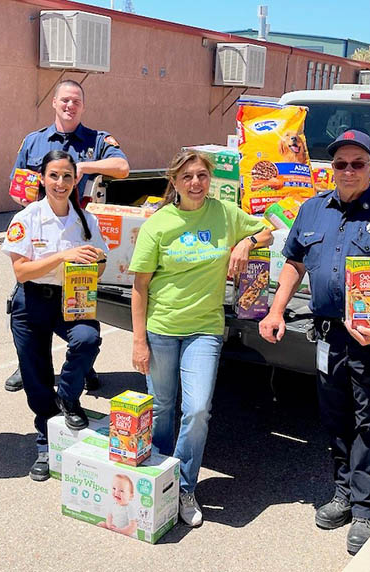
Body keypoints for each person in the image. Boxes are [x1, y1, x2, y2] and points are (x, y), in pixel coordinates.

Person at [259, 130, 370, 554]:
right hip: (329, 336)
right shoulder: (312, 210)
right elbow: (294, 262)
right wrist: (276, 310)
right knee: (335, 418)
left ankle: (367, 509)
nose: (348, 170)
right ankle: (342, 493)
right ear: (330, 169)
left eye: (357, 163)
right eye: (340, 164)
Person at [129, 150, 273, 527]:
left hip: (204, 329)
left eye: (202, 176)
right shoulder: (159, 224)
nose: (196, 183)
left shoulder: (224, 214)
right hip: (161, 329)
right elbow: (140, 287)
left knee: (196, 410)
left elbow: (269, 228)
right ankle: (158, 480)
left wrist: (246, 243)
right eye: (188, 177)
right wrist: (138, 341)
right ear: (174, 182)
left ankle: (184, 485)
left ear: (210, 180)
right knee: (162, 408)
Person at [4, 79, 130, 393]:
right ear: (54, 102)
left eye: (76, 101)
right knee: (31, 301)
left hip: (78, 227)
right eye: (64, 100)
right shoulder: (33, 141)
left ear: (83, 106)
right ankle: (28, 364)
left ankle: (83, 365)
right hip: (38, 234)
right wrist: (25, 200)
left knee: (80, 312)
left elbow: (122, 167)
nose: (69, 106)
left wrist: (82, 165)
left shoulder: (96, 139)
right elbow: (17, 183)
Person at [2, 150, 109, 481]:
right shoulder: (28, 217)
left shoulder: (86, 220)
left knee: (88, 339)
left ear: (76, 179)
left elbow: (101, 264)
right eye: (53, 176)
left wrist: (95, 262)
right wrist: (64, 255)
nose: (60, 183)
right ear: (43, 179)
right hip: (31, 301)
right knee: (35, 378)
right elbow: (21, 271)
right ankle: (45, 446)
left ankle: (68, 396)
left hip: (72, 297)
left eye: (67, 176)